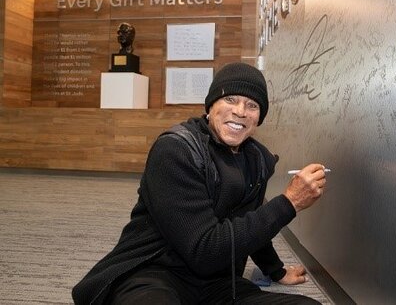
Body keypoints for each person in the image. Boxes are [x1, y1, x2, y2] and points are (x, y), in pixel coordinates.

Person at [72, 62, 327, 304]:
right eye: (230, 99)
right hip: (155, 273)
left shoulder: (257, 160)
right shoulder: (175, 150)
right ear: (210, 106)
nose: (240, 111)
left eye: (252, 105)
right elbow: (205, 250)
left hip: (218, 282)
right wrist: (289, 202)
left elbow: (251, 223)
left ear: (258, 118)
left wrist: (276, 271)